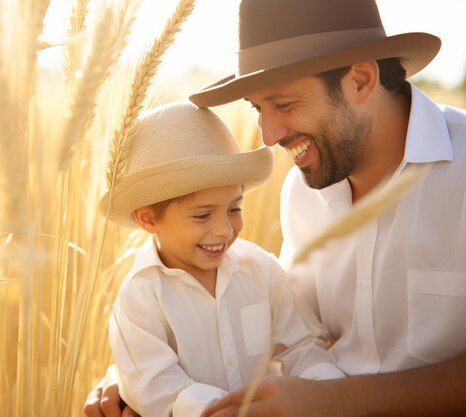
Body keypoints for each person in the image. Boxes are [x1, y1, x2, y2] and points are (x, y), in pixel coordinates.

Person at [85, 0, 466, 416]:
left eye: (283, 104)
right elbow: (294, 330)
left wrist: (336, 402)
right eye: (257, 109)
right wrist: (138, 371)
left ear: (359, 80)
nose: (268, 135)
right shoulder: (301, 194)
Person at [98, 102, 345, 417]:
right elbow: (155, 384)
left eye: (234, 208)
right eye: (203, 215)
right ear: (148, 219)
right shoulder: (139, 298)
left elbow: (302, 345)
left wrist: (322, 389)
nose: (225, 229)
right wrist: (217, 410)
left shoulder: (260, 269)